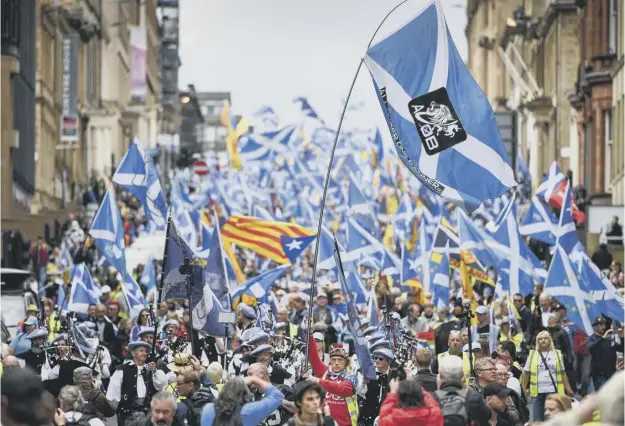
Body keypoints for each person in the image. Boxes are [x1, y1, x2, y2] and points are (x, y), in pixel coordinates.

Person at [521, 331, 573, 422]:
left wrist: (568, 389)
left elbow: (563, 373)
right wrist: (523, 389)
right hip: (537, 392)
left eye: (545, 338)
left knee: (553, 419)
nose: (543, 340)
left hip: (553, 391)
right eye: (540, 339)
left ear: (550, 340)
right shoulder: (533, 354)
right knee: (538, 419)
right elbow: (526, 373)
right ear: (537, 342)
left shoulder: (557, 354)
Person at [201, 375, 284, 426]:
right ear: (246, 394)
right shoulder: (249, 412)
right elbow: (278, 396)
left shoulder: (207, 409)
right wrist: (254, 379)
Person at [435, 354, 491, 426]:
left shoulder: (431, 399)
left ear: (440, 376)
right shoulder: (473, 398)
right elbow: (487, 415)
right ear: (462, 376)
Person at [376, 378, 442, 426]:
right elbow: (434, 406)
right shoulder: (432, 418)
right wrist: (415, 387)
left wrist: (393, 392)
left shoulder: (389, 421)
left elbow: (384, 414)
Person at [587, 316, 618, 391]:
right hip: (599, 374)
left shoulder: (609, 339)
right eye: (599, 325)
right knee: (601, 395)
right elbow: (591, 348)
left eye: (603, 325)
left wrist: (621, 337)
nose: (602, 327)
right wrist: (602, 338)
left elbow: (617, 349)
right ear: (594, 327)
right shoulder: (592, 338)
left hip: (610, 373)